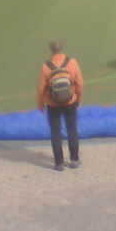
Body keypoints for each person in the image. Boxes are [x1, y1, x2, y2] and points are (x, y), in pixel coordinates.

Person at [36, 40, 83, 172]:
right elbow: (79, 83)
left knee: (55, 132)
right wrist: (78, 99)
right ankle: (74, 160)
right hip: (70, 101)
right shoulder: (72, 62)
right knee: (72, 130)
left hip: (52, 104)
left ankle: (59, 163)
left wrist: (40, 104)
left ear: (51, 50)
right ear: (62, 49)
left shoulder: (46, 66)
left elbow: (41, 89)